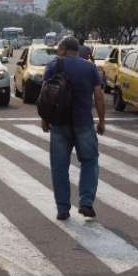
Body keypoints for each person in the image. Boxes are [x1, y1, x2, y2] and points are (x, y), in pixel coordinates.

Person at [42, 36, 105, 220]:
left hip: (59, 124)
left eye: (59, 48)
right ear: (77, 50)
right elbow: (99, 96)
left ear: (64, 49)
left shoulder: (54, 65)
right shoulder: (89, 67)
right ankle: (86, 202)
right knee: (90, 162)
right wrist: (101, 120)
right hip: (84, 123)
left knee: (59, 167)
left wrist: (45, 119)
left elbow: (45, 94)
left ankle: (63, 209)